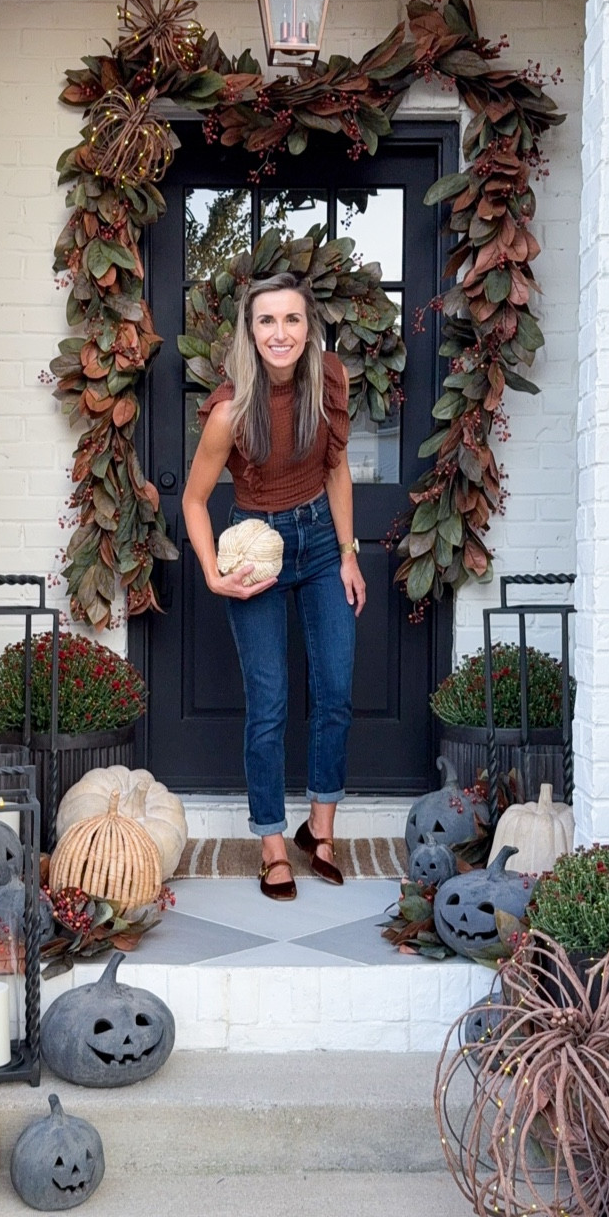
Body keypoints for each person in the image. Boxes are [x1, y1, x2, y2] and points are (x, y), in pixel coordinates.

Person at [182, 273, 366, 901]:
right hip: (256, 548)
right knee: (270, 704)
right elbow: (195, 499)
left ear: (309, 327)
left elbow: (336, 468)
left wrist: (347, 552)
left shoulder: (331, 381)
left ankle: (321, 829)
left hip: (319, 541)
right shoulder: (230, 413)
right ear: (250, 331)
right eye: (267, 321)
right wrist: (212, 573)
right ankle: (270, 844)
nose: (280, 332)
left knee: (335, 688)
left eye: (292, 319)